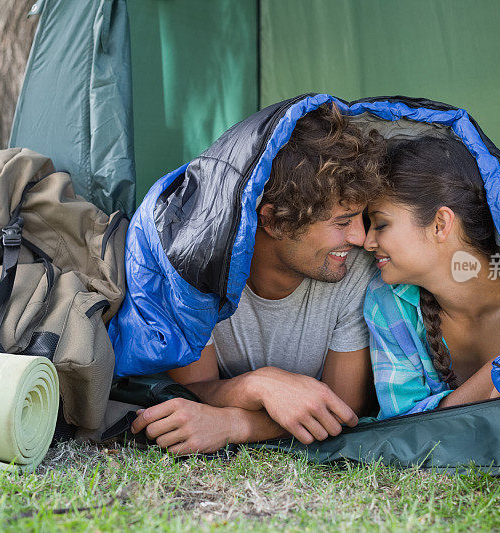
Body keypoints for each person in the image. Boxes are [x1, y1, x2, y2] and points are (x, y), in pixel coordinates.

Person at [130, 104, 385, 453]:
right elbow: (192, 391)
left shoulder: (355, 270)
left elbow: (343, 409)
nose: (361, 238)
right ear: (273, 220)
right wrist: (257, 386)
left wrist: (237, 423)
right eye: (342, 222)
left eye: (362, 218)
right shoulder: (200, 267)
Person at [362, 136, 500, 418]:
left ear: (441, 224)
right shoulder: (387, 301)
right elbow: (405, 428)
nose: (367, 242)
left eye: (381, 224)